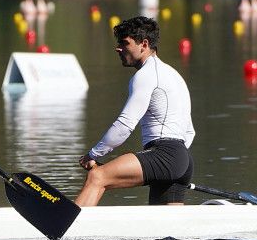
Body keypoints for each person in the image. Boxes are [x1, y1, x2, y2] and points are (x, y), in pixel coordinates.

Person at [76, 15, 194, 207]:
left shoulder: (145, 75)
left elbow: (124, 125)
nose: (118, 48)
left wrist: (93, 155)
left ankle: (69, 234)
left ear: (144, 44)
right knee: (167, 234)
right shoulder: (174, 75)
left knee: (97, 177)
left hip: (165, 154)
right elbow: (189, 131)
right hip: (184, 159)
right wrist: (174, 163)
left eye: (125, 43)